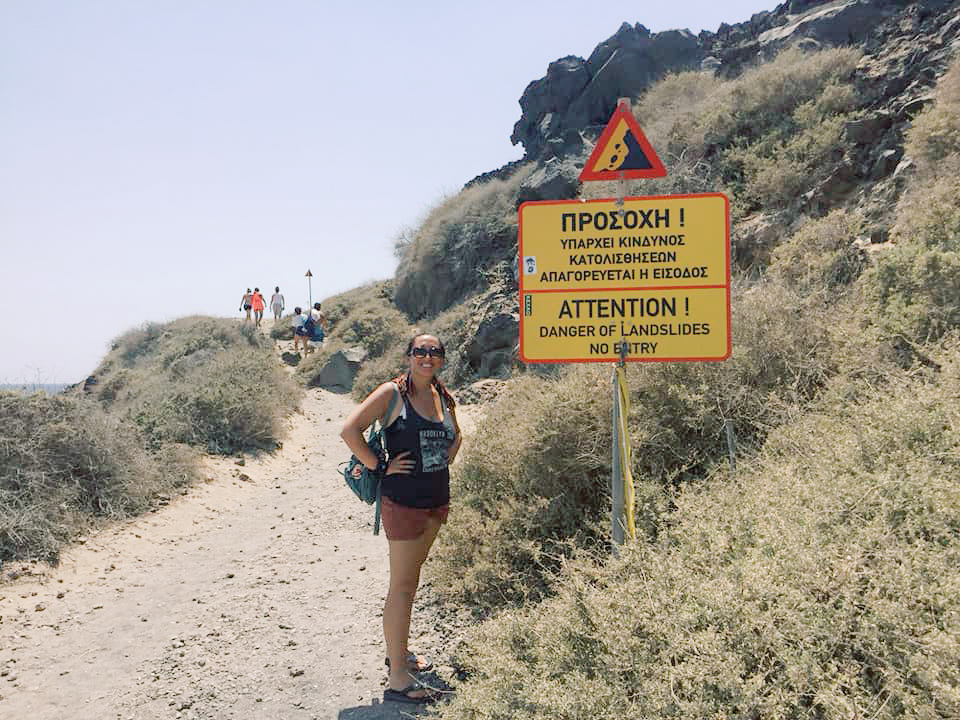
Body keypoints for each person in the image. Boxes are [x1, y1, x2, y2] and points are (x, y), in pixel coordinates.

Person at [340, 334, 461, 705]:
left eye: (434, 352)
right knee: (403, 587)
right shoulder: (392, 394)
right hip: (404, 502)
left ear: (441, 359)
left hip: (436, 500)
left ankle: (400, 653)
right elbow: (350, 430)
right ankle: (398, 679)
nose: (427, 356)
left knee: (411, 581)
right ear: (409, 356)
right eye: (419, 351)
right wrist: (380, 464)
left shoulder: (442, 394)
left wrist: (447, 451)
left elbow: (455, 438)